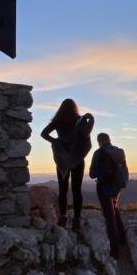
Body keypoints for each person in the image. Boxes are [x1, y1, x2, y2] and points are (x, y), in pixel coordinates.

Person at [41, 99, 94, 230]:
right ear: (75, 108)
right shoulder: (79, 120)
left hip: (62, 159)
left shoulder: (58, 120)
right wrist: (89, 119)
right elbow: (86, 134)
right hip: (77, 158)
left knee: (63, 189)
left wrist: (56, 142)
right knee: (77, 190)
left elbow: (44, 134)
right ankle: (76, 220)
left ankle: (63, 218)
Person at [89, 132, 129, 257]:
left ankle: (115, 249)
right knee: (115, 210)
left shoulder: (98, 153)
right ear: (109, 139)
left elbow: (92, 174)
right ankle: (122, 239)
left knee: (109, 216)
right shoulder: (120, 151)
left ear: (99, 141)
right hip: (117, 186)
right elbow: (125, 168)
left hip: (104, 187)